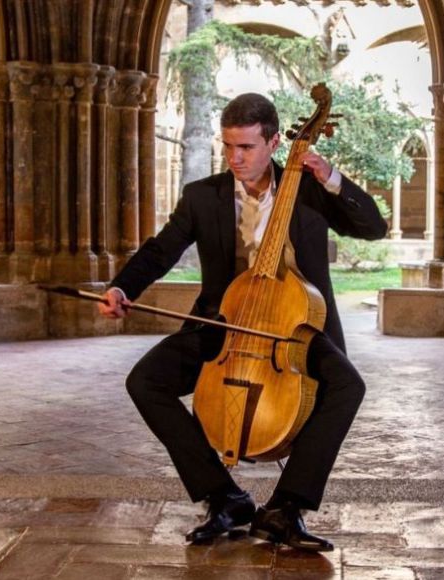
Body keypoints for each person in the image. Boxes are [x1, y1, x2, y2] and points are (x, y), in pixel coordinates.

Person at [98, 92, 387, 551]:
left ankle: (285, 508)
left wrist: (329, 175)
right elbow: (161, 249)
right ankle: (224, 496)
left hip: (294, 326)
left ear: (274, 143)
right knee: (145, 381)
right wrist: (122, 287)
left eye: (246, 148)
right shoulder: (202, 197)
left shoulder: (308, 189)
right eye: (228, 146)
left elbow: (374, 227)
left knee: (347, 386)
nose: (235, 158)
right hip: (223, 324)